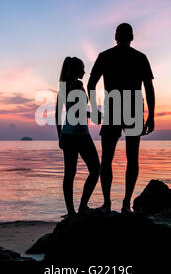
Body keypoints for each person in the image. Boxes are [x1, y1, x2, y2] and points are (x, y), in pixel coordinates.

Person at [87, 23, 155, 213]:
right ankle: (125, 204)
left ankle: (108, 204)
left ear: (115, 37)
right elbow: (149, 88)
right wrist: (151, 115)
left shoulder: (105, 56)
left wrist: (94, 108)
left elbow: (91, 85)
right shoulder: (139, 57)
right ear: (132, 37)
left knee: (108, 158)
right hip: (132, 109)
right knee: (131, 158)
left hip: (115, 108)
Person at [55, 57, 101, 218]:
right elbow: (76, 112)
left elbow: (57, 113)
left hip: (69, 134)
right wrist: (93, 114)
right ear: (75, 69)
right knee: (95, 169)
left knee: (70, 174)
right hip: (79, 135)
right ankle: (80, 207)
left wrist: (59, 135)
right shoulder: (77, 85)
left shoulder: (63, 87)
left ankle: (73, 211)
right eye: (82, 67)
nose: (84, 71)